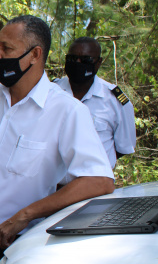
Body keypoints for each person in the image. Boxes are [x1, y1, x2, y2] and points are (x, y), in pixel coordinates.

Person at [0, 15, 115, 264]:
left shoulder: (66, 111)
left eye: (6, 48)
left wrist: (25, 215)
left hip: (10, 250)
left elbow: (99, 180)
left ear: (35, 55)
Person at [54, 36, 136, 168]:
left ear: (99, 62)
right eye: (72, 59)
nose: (78, 63)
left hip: (95, 184)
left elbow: (122, 148)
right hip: (53, 186)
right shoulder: (51, 92)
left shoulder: (115, 101)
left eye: (86, 60)